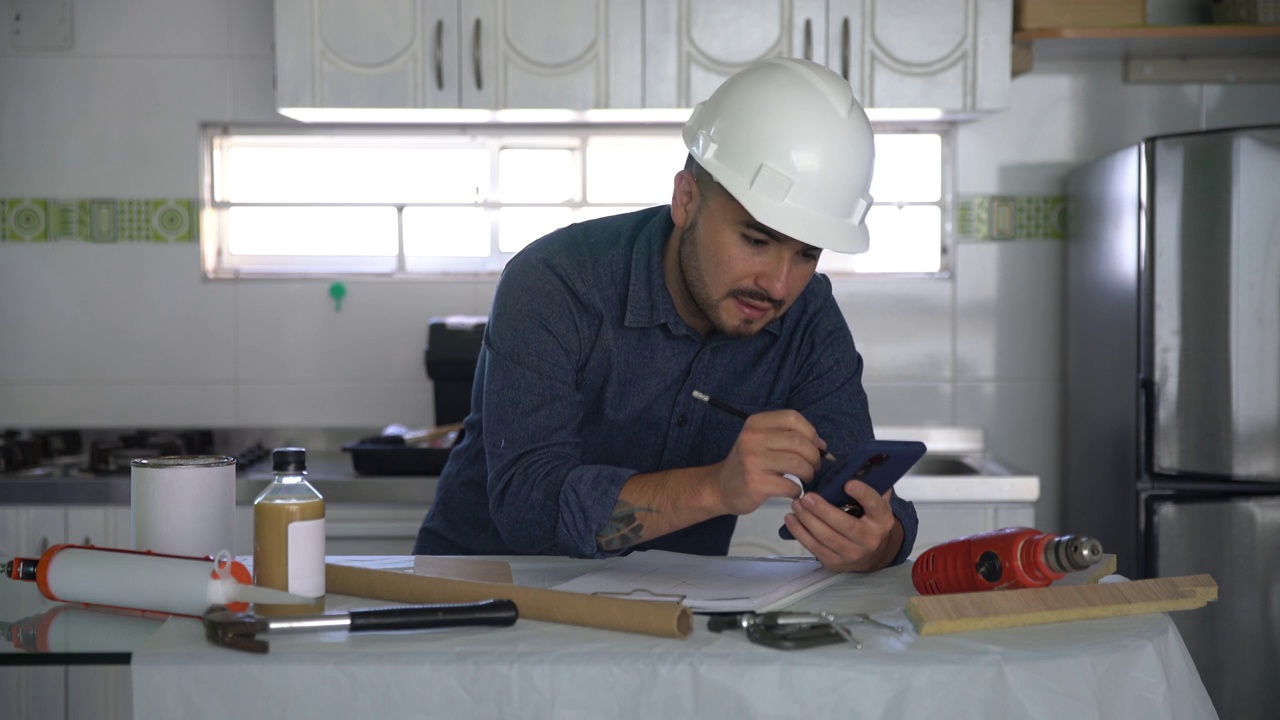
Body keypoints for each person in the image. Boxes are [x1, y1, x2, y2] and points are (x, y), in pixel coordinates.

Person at [414, 57, 918, 573]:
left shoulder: (808, 318)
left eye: (806, 254)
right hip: (482, 596)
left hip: (672, 615)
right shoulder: (555, 282)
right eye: (756, 239)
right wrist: (716, 487)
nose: (778, 284)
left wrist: (874, 541)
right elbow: (528, 506)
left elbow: (869, 492)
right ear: (686, 199)